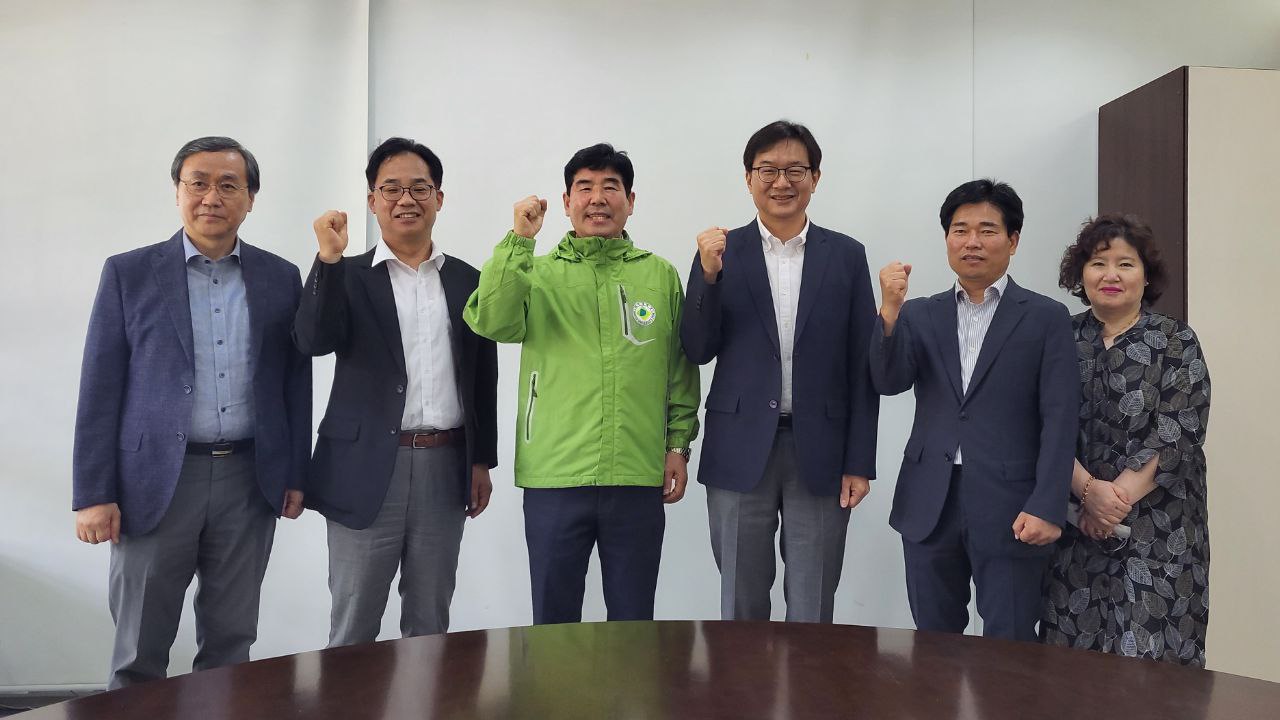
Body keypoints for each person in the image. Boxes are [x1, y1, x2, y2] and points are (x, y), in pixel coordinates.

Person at [73, 136, 311, 687]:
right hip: (154, 481)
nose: (212, 197)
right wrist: (92, 493)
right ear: (177, 192)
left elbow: (294, 383)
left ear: (250, 198)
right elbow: (99, 388)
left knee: (231, 641)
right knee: (139, 646)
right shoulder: (129, 273)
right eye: (198, 183)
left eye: (229, 185)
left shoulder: (280, 277)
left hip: (248, 480)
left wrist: (295, 472)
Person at [463, 143, 700, 624]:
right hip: (555, 475)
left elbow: (679, 368)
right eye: (585, 187)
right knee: (554, 623)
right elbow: (492, 321)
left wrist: (678, 444)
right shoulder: (536, 272)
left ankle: (631, 681)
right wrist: (519, 240)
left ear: (630, 201)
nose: (598, 198)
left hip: (636, 474)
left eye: (611, 187)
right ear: (567, 201)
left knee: (633, 623)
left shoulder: (658, 276)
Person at [294, 137, 498, 646]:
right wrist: (328, 260)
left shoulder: (469, 280)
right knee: (353, 626)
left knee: (429, 623)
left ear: (439, 198)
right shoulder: (346, 274)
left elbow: (482, 377)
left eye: (419, 188)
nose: (406, 199)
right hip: (363, 468)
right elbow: (312, 340)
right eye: (391, 189)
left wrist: (481, 461)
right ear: (372, 200)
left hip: (444, 465)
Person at [680, 120, 879, 622]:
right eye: (767, 170)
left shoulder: (846, 256)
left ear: (816, 178)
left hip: (822, 451)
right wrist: (707, 276)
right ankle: (742, 680)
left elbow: (862, 365)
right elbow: (697, 348)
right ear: (748, 178)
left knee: (813, 605)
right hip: (738, 447)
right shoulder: (720, 252)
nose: (781, 182)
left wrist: (859, 460)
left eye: (795, 170)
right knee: (740, 604)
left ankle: (809, 681)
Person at [870, 179, 1077, 641]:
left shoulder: (1045, 318)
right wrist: (889, 312)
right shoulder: (919, 314)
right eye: (960, 230)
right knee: (933, 643)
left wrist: (1048, 506)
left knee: (1011, 643)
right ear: (947, 239)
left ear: (1013, 241)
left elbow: (1060, 418)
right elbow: (888, 381)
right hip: (930, 502)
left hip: (1012, 506)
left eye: (987, 230)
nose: (972, 242)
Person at [1041, 213, 1210, 665]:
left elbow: (1180, 430)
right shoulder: (1058, 336)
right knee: (1070, 665)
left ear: (1146, 275)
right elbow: (1039, 426)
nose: (1110, 275)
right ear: (1080, 274)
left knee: (1153, 664)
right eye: (1098, 263)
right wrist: (1088, 494)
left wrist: (1113, 502)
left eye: (1125, 264)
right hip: (1073, 528)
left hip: (1160, 530)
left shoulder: (1175, 340)